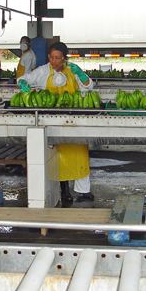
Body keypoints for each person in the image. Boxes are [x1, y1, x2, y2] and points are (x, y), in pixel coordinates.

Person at [17, 41, 94, 204]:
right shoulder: (44, 70)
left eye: (58, 58)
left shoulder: (72, 69)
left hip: (73, 116)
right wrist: (22, 83)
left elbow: (89, 86)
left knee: (79, 153)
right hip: (52, 116)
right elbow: (25, 78)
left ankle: (83, 190)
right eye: (51, 57)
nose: (54, 61)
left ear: (64, 58)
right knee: (59, 155)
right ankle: (64, 189)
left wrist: (80, 74)